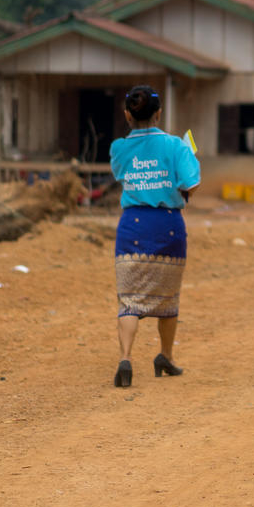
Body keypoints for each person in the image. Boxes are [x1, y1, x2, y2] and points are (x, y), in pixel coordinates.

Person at [107, 84, 200, 388]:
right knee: (168, 297)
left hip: (132, 225)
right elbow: (191, 184)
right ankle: (166, 356)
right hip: (168, 226)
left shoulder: (118, 148)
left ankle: (125, 357)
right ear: (159, 114)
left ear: (127, 115)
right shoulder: (177, 146)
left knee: (129, 298)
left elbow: (122, 174)